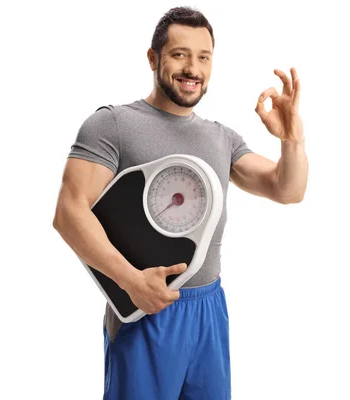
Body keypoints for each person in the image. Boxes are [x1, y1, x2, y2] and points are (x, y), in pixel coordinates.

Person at [53, 6, 308, 399]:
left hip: (209, 310)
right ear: (153, 58)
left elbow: (286, 189)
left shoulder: (221, 137)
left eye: (203, 57)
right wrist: (131, 281)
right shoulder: (113, 124)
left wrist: (292, 139)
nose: (193, 68)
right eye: (179, 54)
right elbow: (69, 212)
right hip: (145, 308)